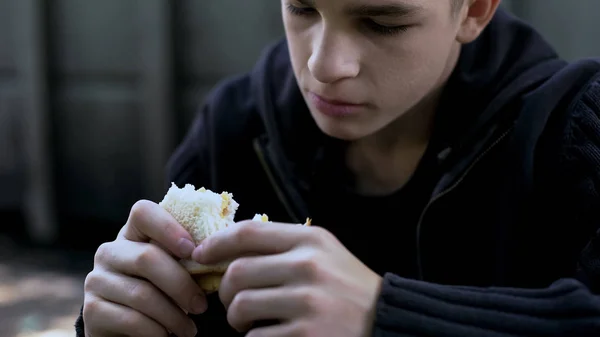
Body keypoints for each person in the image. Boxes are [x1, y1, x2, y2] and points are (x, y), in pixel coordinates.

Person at [76, 0, 600, 336]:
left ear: (474, 10)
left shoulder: (573, 131)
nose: (323, 67)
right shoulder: (235, 126)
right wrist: (116, 317)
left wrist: (386, 315)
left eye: (382, 22)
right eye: (303, 8)